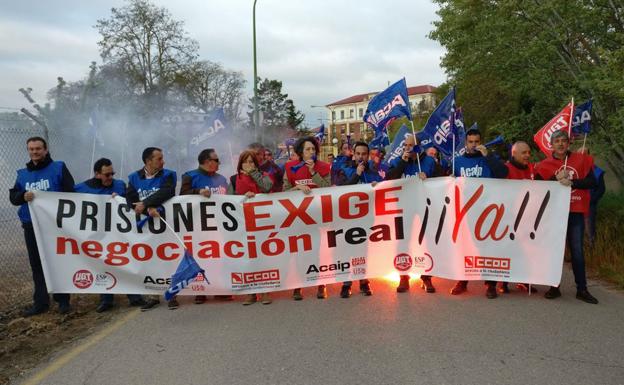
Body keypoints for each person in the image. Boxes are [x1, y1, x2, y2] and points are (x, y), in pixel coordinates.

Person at [10, 137, 74, 316]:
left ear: (45, 150)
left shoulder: (58, 167)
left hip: (55, 225)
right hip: (31, 225)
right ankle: (41, 303)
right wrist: (22, 196)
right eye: (31, 149)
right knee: (37, 265)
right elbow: (14, 197)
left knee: (57, 262)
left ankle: (63, 301)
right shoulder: (22, 174)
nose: (34, 152)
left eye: (38, 149)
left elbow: (71, 193)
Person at [74, 158, 148, 312]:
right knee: (103, 264)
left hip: (119, 232)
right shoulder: (82, 188)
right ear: (97, 174)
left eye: (112, 174)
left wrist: (123, 198)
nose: (110, 177)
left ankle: (134, 296)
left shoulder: (119, 185)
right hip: (98, 234)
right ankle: (106, 300)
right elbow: (64, 200)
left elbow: (132, 200)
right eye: (107, 175)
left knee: (126, 261)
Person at [534, 130, 598, 304]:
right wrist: (554, 180)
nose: (561, 144)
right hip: (554, 213)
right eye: (557, 141)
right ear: (551, 144)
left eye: (564, 141)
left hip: (575, 210)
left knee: (577, 250)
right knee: (554, 251)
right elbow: (537, 189)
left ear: (568, 143)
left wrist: (572, 182)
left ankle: (582, 289)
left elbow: (593, 182)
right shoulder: (544, 165)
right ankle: (554, 287)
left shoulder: (581, 159)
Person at [168, 148, 230, 309]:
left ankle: (219, 288)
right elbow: (183, 195)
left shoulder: (222, 179)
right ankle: (200, 291)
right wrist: (198, 191)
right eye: (216, 160)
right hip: (197, 226)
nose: (219, 163)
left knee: (218, 257)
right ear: (207, 161)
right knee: (199, 258)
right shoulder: (190, 176)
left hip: (218, 225)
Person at [450, 128, 508, 299]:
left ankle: (490, 284)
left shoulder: (489, 159)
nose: (474, 145)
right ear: (466, 143)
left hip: (487, 209)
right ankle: (462, 280)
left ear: (481, 142)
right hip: (465, 211)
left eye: (477, 142)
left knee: (488, 247)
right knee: (464, 246)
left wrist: (488, 157)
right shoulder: (457, 161)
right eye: (471, 142)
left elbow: (504, 173)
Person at [126, 147, 177, 311]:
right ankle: (154, 295)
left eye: (162, 158)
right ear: (148, 161)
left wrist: (147, 204)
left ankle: (173, 294)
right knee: (150, 258)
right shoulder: (134, 177)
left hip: (165, 223)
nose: (163, 162)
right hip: (146, 226)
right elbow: (131, 199)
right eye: (159, 159)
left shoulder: (169, 174)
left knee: (169, 257)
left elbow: (167, 192)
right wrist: (146, 208)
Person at [387, 134, 438, 293]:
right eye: (405, 145)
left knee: (426, 242)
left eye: (411, 146)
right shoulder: (398, 160)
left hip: (424, 207)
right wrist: (403, 161)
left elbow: (441, 181)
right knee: (403, 242)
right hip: (403, 208)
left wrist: (428, 178)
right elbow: (390, 178)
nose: (407, 148)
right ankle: (403, 276)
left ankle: (427, 277)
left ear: (418, 146)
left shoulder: (428, 161)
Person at [284, 136, 331, 300]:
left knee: (316, 252)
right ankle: (298, 284)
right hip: (297, 218)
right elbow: (283, 192)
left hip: (316, 217)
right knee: (298, 253)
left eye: (313, 149)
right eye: (307, 149)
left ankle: (320, 283)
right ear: (300, 152)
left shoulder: (324, 167)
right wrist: (296, 187)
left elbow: (328, 189)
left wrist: (313, 174)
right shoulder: (290, 167)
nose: (311, 152)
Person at [336, 142, 383, 298]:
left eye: (364, 154)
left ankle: (363, 281)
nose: (361, 157)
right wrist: (356, 174)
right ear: (353, 154)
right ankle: (346, 283)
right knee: (347, 251)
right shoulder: (345, 170)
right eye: (358, 154)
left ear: (368, 155)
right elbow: (342, 189)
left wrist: (378, 186)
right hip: (348, 220)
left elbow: (381, 190)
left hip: (367, 219)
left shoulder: (373, 172)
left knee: (364, 251)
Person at [228, 150, 274, 305]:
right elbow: (228, 200)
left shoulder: (263, 176)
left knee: (263, 257)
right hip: (243, 225)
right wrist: (242, 198)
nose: (248, 165)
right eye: (245, 162)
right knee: (247, 259)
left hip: (262, 223)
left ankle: (265, 290)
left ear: (256, 164)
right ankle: (251, 292)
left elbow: (267, 188)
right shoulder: (234, 179)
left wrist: (254, 173)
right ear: (240, 164)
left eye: (251, 162)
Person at [500, 141, 538, 294]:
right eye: (524, 153)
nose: (527, 155)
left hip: (527, 218)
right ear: (514, 154)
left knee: (525, 251)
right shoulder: (505, 169)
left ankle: (524, 280)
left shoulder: (533, 168)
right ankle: (503, 282)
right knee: (507, 250)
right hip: (508, 218)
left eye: (529, 152)